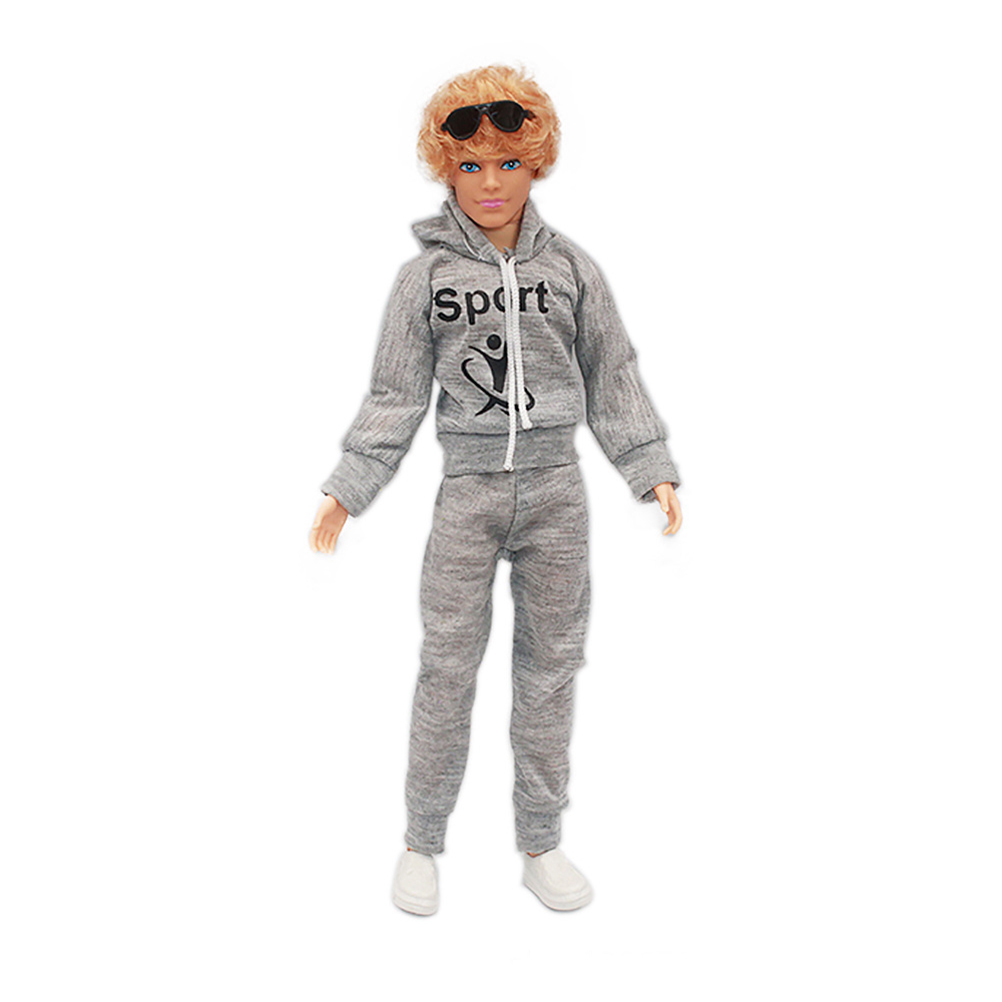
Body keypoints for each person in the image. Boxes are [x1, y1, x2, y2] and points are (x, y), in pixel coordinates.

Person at [309, 65, 682, 915]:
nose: (489, 183)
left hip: (557, 494)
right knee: (446, 666)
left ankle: (540, 841)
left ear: (537, 164)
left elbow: (612, 371)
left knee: (551, 668)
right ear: (444, 169)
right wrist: (351, 485)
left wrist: (648, 463)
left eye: (508, 163)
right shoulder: (426, 280)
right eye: (470, 165)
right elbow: (396, 393)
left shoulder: (574, 270)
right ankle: (422, 839)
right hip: (468, 494)